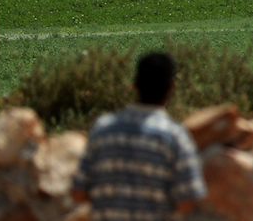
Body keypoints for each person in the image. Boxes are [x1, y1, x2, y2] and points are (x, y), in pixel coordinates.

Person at [72, 52, 207, 220]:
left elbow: (78, 193)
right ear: (171, 87)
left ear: (135, 84)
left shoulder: (103, 128)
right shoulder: (174, 137)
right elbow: (187, 202)